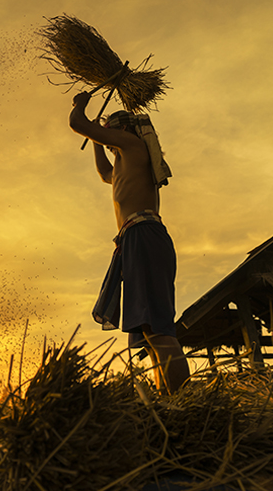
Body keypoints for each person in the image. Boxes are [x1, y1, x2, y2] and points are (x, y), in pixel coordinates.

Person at [69, 91, 190, 394]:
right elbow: (103, 173)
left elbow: (77, 123)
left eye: (109, 135)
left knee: (158, 327)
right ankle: (167, 400)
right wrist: (97, 138)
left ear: (123, 132)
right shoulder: (124, 163)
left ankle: (182, 398)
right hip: (134, 240)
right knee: (149, 332)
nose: (109, 143)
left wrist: (81, 106)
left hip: (144, 235)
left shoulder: (134, 146)